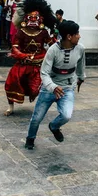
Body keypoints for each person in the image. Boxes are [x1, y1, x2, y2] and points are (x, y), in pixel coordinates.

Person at [25, 21, 85, 150]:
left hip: (67, 88)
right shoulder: (52, 50)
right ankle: (30, 138)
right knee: (37, 118)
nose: (79, 36)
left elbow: (80, 65)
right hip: (48, 89)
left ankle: (54, 126)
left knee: (66, 115)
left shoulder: (80, 49)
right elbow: (44, 73)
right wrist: (52, 87)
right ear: (69, 36)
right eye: (77, 34)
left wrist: (81, 78)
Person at [4, 0, 56, 116]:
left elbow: (51, 45)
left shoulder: (43, 32)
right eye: (31, 17)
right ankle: (10, 106)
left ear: (41, 19)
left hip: (39, 64)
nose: (33, 20)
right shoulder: (21, 32)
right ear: (25, 18)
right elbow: (15, 47)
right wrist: (22, 55)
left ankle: (42, 106)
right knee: (11, 82)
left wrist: (55, 38)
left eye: (36, 18)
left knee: (38, 88)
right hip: (23, 63)